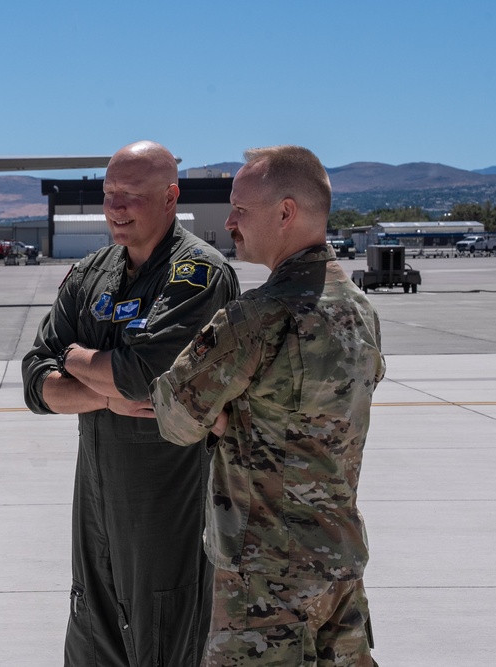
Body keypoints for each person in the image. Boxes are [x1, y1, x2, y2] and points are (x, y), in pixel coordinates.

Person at [151, 146, 383, 666]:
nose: (229, 222)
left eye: (240, 209)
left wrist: (219, 415)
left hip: (265, 584)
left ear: (285, 213)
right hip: (339, 566)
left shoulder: (254, 320)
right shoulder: (360, 312)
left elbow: (173, 416)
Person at [22, 140, 240, 666]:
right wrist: (104, 397)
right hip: (96, 506)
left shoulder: (197, 276)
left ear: (170, 196)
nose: (116, 207)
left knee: (165, 642)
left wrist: (72, 355)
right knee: (93, 644)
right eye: (109, 193)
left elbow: (142, 377)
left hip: (166, 507)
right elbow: (34, 382)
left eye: (132, 195)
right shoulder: (89, 273)